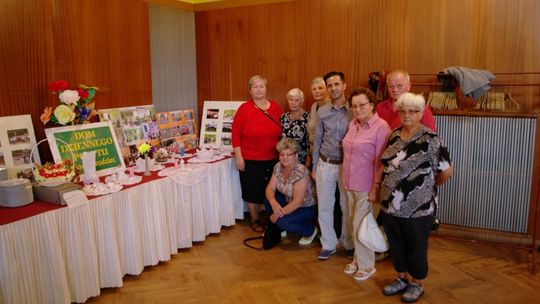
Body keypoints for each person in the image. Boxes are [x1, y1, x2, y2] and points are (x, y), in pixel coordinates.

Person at [378, 93, 453, 302]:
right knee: (397, 244)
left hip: (418, 208)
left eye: (412, 111)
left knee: (416, 245)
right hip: (390, 205)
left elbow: (446, 171)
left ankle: (416, 282)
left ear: (421, 113)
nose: (407, 115)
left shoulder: (431, 139)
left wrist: (426, 189)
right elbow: (385, 165)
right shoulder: (393, 135)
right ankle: (401, 278)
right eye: (403, 111)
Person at [341, 87, 391, 281]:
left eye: (362, 105)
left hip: (366, 185)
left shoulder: (381, 127)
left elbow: (381, 161)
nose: (357, 109)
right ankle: (357, 260)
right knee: (354, 223)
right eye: (354, 106)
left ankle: (367, 265)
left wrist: (375, 187)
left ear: (372, 105)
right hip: (348, 182)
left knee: (361, 224)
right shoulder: (353, 124)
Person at [232, 75, 282, 232]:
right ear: (250, 90)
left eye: (262, 86)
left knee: (270, 189)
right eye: (255, 87)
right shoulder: (244, 108)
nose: (259, 89)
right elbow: (235, 133)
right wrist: (238, 156)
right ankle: (254, 219)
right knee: (252, 190)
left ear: (266, 89)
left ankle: (269, 217)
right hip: (251, 158)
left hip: (273, 157)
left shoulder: (275, 106)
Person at [312, 71, 353, 260]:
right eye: (330, 85)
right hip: (325, 164)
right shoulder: (322, 112)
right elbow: (318, 140)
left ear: (344, 85)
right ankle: (328, 243)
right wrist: (314, 167)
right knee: (325, 206)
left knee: (347, 206)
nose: (333, 88)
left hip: (347, 166)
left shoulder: (354, 110)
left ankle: (347, 242)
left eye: (337, 84)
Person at [265, 138, 318, 245]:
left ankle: (311, 231)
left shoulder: (301, 171)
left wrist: (276, 215)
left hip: (306, 207)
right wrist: (273, 203)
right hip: (289, 201)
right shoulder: (278, 166)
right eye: (282, 154)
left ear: (296, 155)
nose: (284, 158)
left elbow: (297, 203)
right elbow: (270, 189)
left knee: (282, 222)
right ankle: (280, 226)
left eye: (289, 154)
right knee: (267, 199)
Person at [280, 88, 310, 164]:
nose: (293, 103)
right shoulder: (283, 117)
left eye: (297, 100)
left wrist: (308, 161)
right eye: (291, 100)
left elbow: (309, 142)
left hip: (301, 160)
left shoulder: (308, 117)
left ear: (301, 102)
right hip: (285, 160)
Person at [306, 77, 331, 168]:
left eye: (320, 88)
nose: (317, 91)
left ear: (327, 89)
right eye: (314, 89)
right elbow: (312, 133)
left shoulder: (332, 107)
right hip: (314, 154)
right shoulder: (314, 106)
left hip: (326, 158)